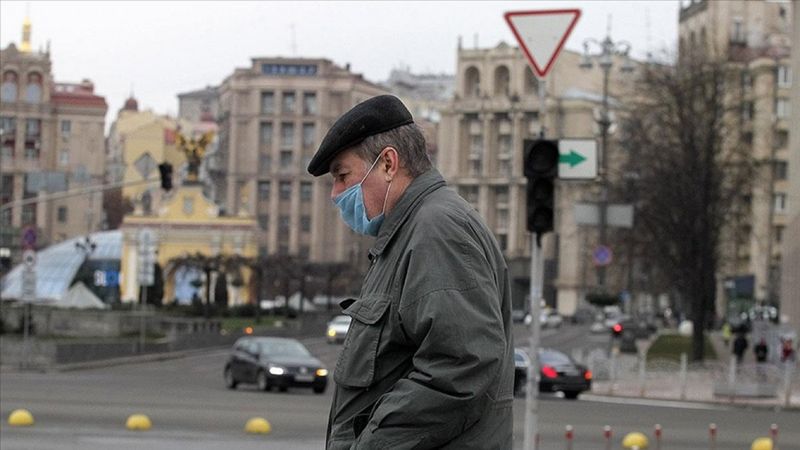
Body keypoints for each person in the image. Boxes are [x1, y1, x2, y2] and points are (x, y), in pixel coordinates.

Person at [307, 95, 514, 449]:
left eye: (342, 176)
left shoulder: (436, 230)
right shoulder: (410, 231)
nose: (335, 193)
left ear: (388, 163)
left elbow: (461, 365)